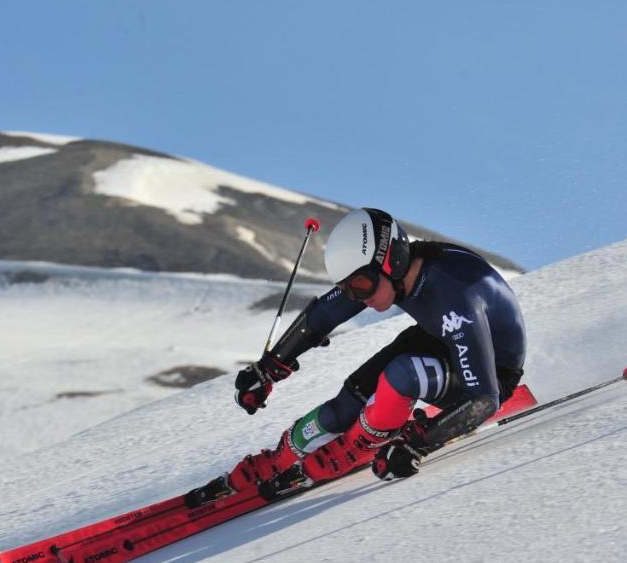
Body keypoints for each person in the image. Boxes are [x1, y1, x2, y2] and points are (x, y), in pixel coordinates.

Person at [194, 207, 528, 505]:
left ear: (392, 260)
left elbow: (484, 397)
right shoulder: (381, 276)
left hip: (492, 376)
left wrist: (418, 443)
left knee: (402, 375)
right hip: (438, 339)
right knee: (348, 401)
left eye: (361, 286)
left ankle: (356, 447)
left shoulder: (456, 297)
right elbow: (322, 316)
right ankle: (282, 456)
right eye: (349, 288)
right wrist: (269, 369)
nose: (357, 297)